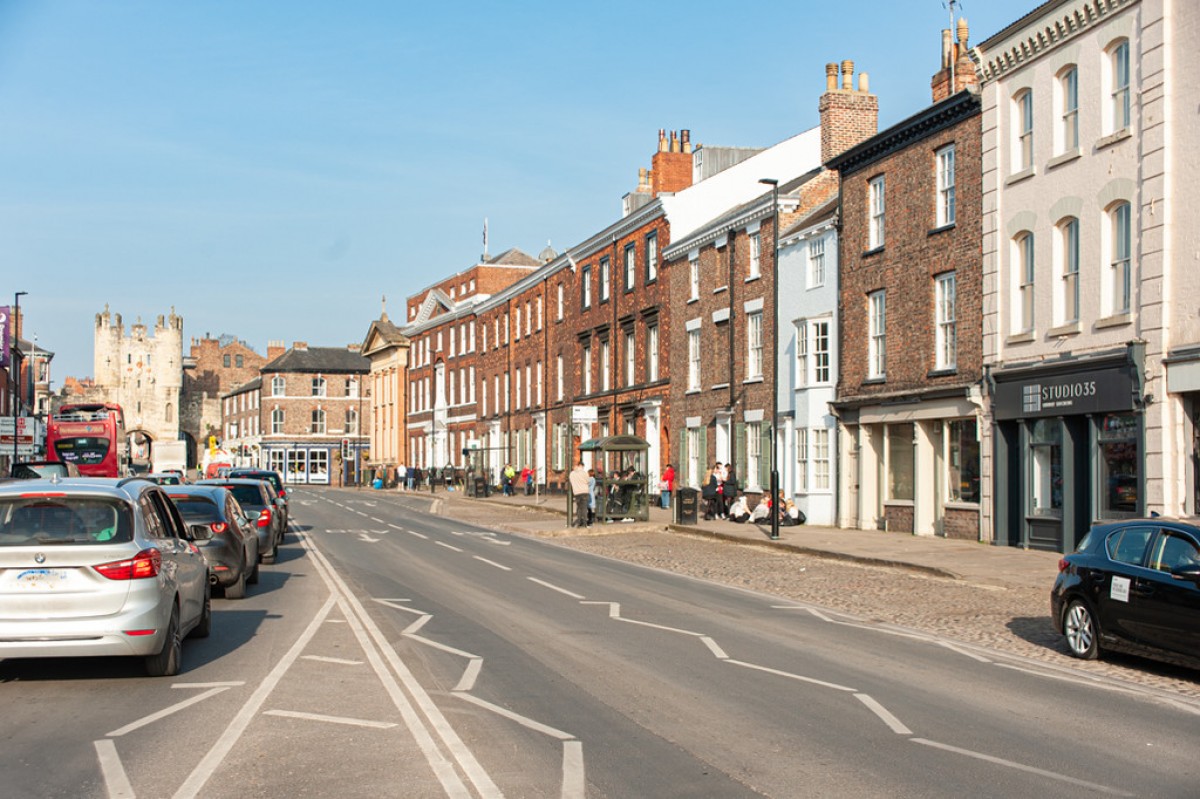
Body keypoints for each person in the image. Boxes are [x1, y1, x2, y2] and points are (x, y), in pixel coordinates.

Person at [569, 461, 590, 527]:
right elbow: (588, 481)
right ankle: (584, 523)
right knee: (584, 507)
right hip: (584, 491)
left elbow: (571, 481)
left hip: (576, 492)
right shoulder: (584, 473)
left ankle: (579, 521)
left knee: (578, 508)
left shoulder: (572, 473)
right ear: (582, 466)